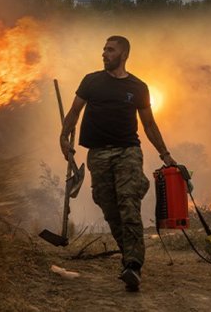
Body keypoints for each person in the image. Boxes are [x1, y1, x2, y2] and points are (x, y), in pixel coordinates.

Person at [60, 35, 177, 292]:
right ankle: (129, 257)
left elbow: (148, 124)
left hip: (128, 152)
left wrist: (165, 154)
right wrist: (63, 138)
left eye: (110, 50)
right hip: (98, 154)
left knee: (128, 202)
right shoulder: (91, 81)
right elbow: (74, 112)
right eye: (103, 49)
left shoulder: (138, 87)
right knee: (108, 206)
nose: (104, 54)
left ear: (123, 55)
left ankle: (134, 265)